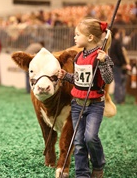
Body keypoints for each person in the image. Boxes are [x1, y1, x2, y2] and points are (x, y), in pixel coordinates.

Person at [58, 17, 114, 178]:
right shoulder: (78, 57)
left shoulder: (101, 56)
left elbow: (109, 79)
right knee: (79, 141)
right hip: (77, 104)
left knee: (90, 137)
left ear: (90, 37)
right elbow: (79, 80)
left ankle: (98, 164)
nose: (74, 37)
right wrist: (65, 76)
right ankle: (82, 174)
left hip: (95, 105)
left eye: (77, 34)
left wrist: (103, 63)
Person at [109, 27, 131, 104]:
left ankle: (117, 98)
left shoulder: (111, 42)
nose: (119, 35)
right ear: (115, 34)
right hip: (118, 65)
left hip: (113, 64)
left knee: (117, 82)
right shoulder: (117, 42)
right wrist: (125, 63)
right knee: (120, 82)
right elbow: (120, 54)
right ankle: (120, 99)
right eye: (118, 33)